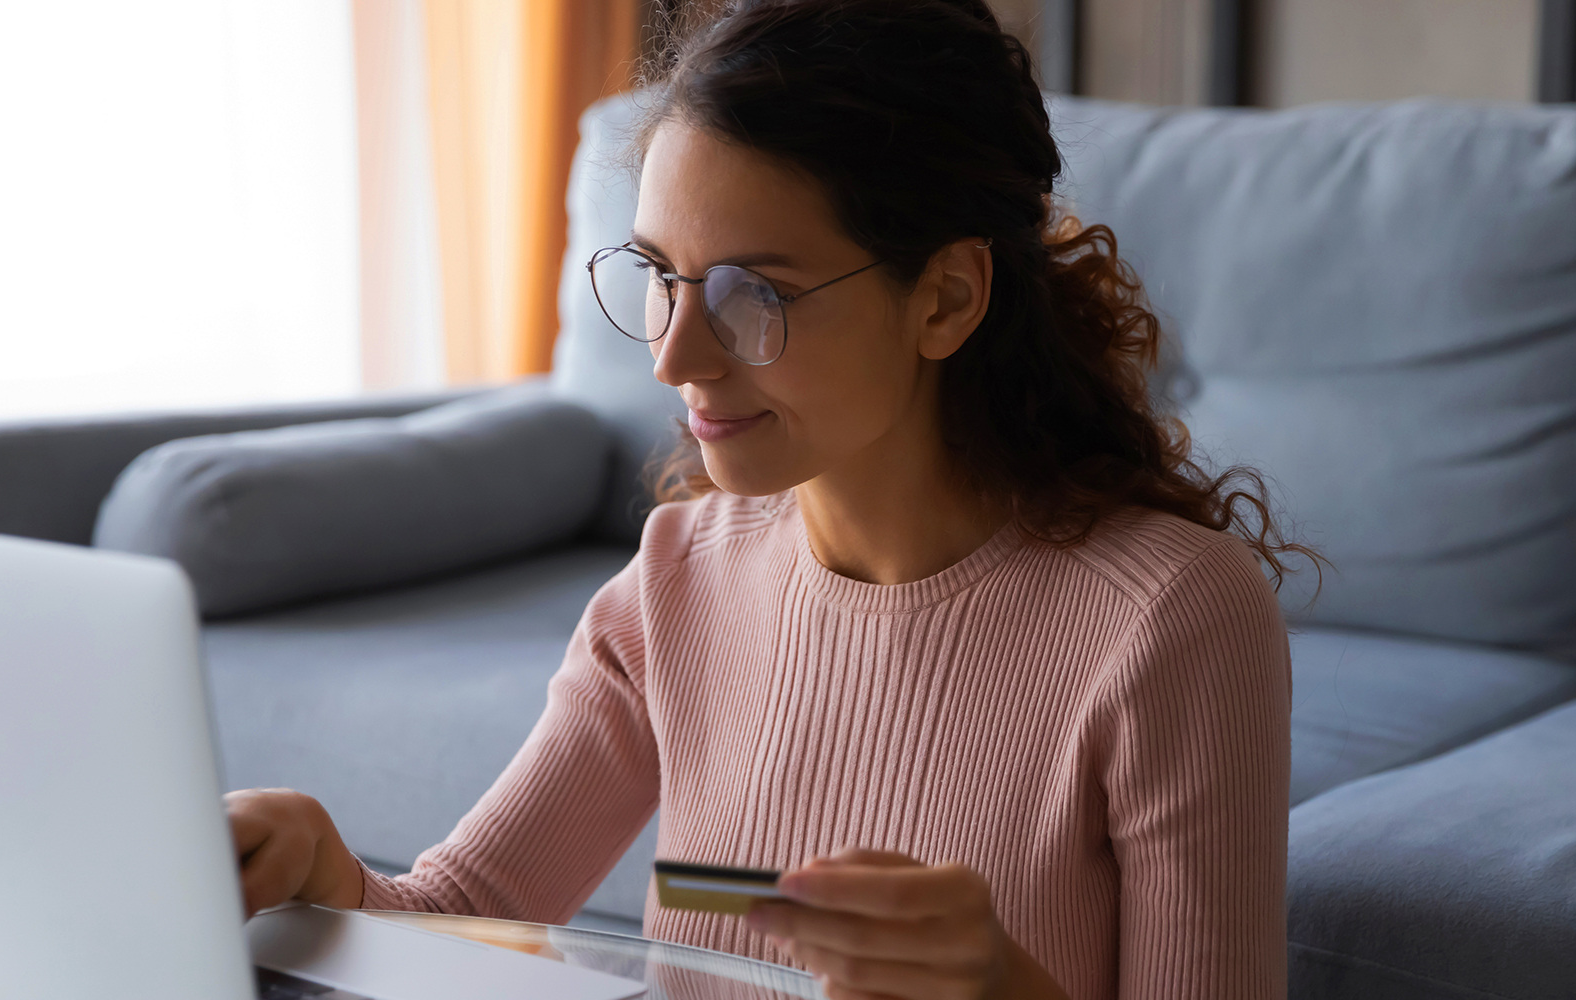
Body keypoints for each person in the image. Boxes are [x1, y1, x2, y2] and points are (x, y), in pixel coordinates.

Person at [226, 1, 1314, 997]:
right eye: (660, 276)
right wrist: (330, 882)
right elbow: (463, 924)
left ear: (943, 298)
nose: (673, 357)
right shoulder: (676, 580)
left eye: (756, 294)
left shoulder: (1168, 619)